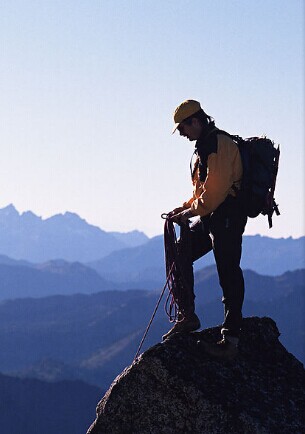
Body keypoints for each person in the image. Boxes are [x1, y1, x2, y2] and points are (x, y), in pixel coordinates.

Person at [162, 99, 247, 359]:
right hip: (213, 218)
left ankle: (231, 338)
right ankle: (188, 315)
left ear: (195, 122)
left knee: (228, 271)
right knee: (181, 253)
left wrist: (189, 212)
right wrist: (184, 208)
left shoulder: (220, 144)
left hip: (227, 218)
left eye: (184, 129)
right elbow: (203, 192)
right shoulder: (205, 146)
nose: (183, 135)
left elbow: (214, 194)